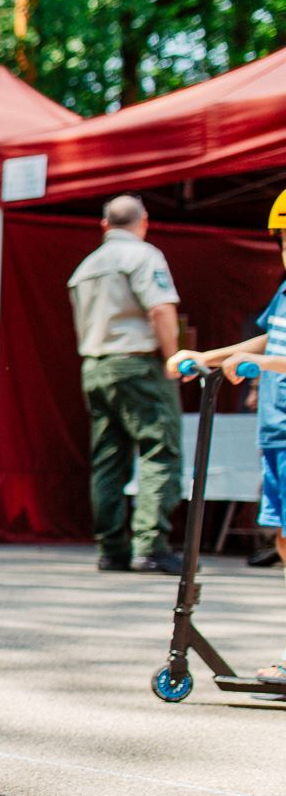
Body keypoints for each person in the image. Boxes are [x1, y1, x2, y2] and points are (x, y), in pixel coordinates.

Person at [167, 223, 286, 673]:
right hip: (275, 430)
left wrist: (261, 363)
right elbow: (267, 340)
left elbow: (268, 355)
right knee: (282, 538)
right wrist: (212, 356)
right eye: (285, 240)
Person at [69, 194, 183, 573]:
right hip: (137, 363)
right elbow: (161, 307)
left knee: (108, 459)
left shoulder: (85, 267)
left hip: (95, 364)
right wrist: (172, 358)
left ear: (104, 225)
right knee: (158, 449)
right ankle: (150, 544)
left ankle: (111, 548)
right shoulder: (144, 255)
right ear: (144, 220)